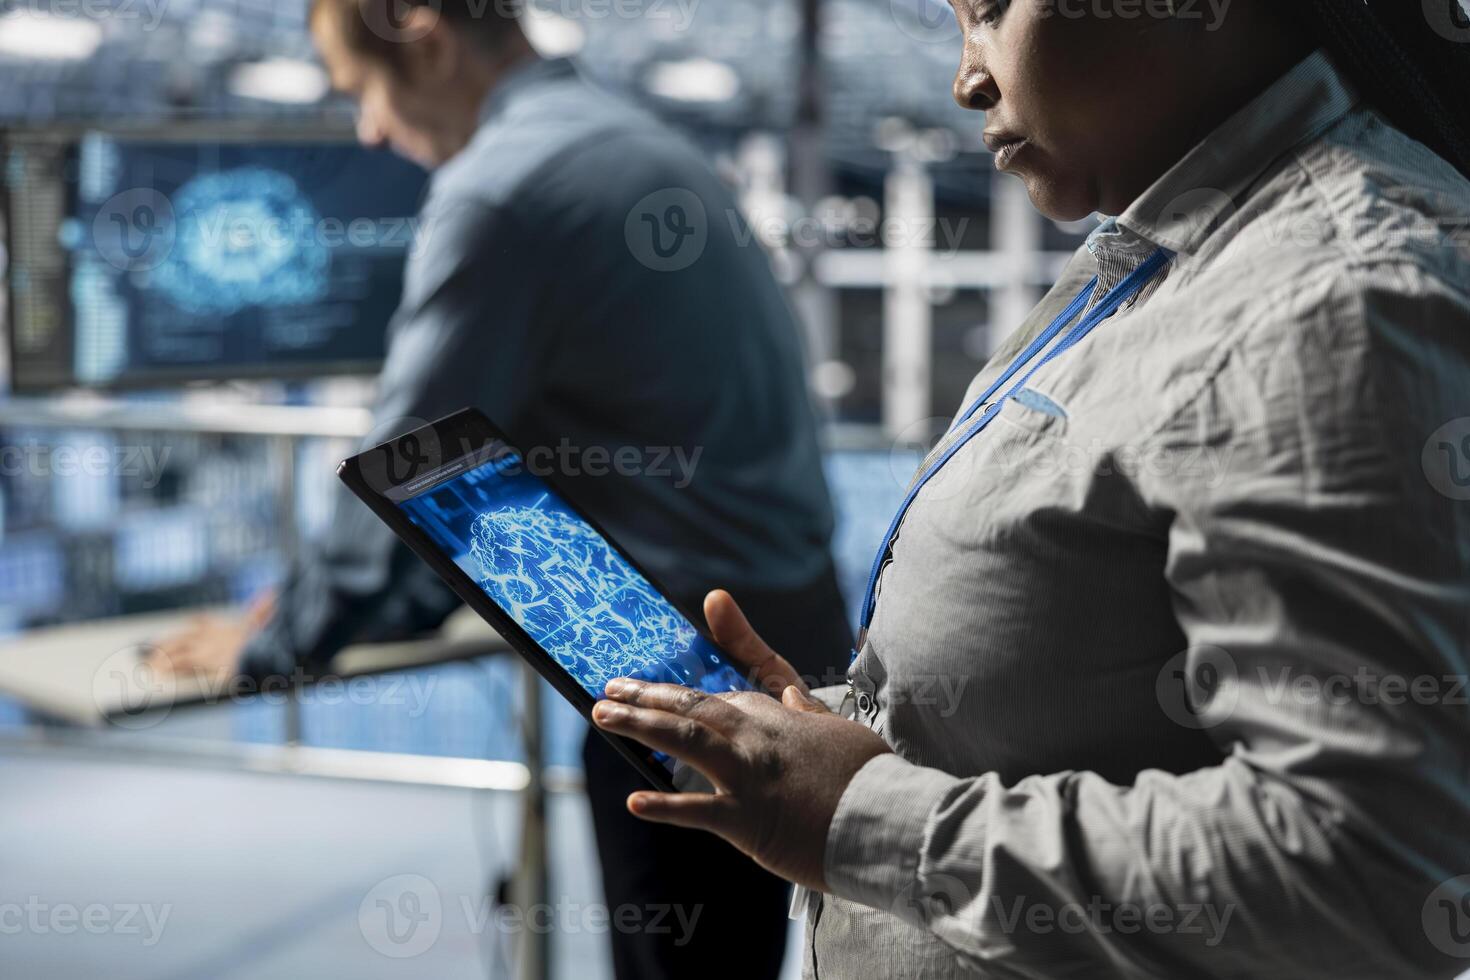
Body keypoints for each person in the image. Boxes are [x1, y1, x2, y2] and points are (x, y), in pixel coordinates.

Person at [587, 1, 1470, 977]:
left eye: (992, 12)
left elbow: (1365, 871)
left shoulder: (1329, 298)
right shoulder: (1171, 258)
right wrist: (822, 743)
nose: (967, 78)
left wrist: (864, 812)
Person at [151, 1, 852, 975]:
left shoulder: (501, 190)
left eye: (364, 91)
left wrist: (273, 641)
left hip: (681, 667)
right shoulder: (633, 142)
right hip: (787, 634)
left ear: (425, 38)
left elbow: (412, 453)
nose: (369, 129)